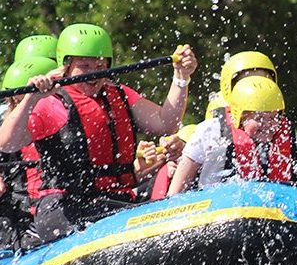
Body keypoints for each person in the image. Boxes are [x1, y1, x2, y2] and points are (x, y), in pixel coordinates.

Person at [0, 23, 197, 243]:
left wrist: (181, 77)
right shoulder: (52, 102)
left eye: (100, 65)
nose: (93, 74)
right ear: (66, 66)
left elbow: (165, 123)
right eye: (84, 66)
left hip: (114, 200)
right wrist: (31, 98)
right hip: (66, 208)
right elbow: (7, 143)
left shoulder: (120, 95)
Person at [168, 51, 278, 195]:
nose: (256, 88)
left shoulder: (291, 136)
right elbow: (174, 195)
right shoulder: (209, 131)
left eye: (263, 82)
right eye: (245, 83)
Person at [197, 76, 297, 187]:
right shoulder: (219, 144)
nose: (267, 125)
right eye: (258, 118)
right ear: (240, 118)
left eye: (273, 118)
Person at [0, 56, 59, 250]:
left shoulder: (58, 121)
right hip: (18, 219)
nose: (18, 111)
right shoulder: (13, 133)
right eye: (14, 102)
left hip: (42, 210)